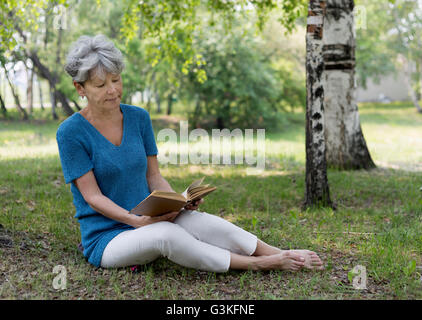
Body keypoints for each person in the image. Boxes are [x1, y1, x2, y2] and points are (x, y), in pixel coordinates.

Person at [57, 34, 324, 273]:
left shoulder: (138, 118)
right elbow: (92, 197)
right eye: (101, 85)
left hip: (149, 218)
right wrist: (135, 221)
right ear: (80, 88)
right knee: (167, 235)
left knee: (201, 222)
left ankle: (279, 253)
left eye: (116, 80)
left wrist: (175, 201)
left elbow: (154, 177)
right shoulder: (70, 133)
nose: (112, 90)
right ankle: (257, 264)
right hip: (108, 238)